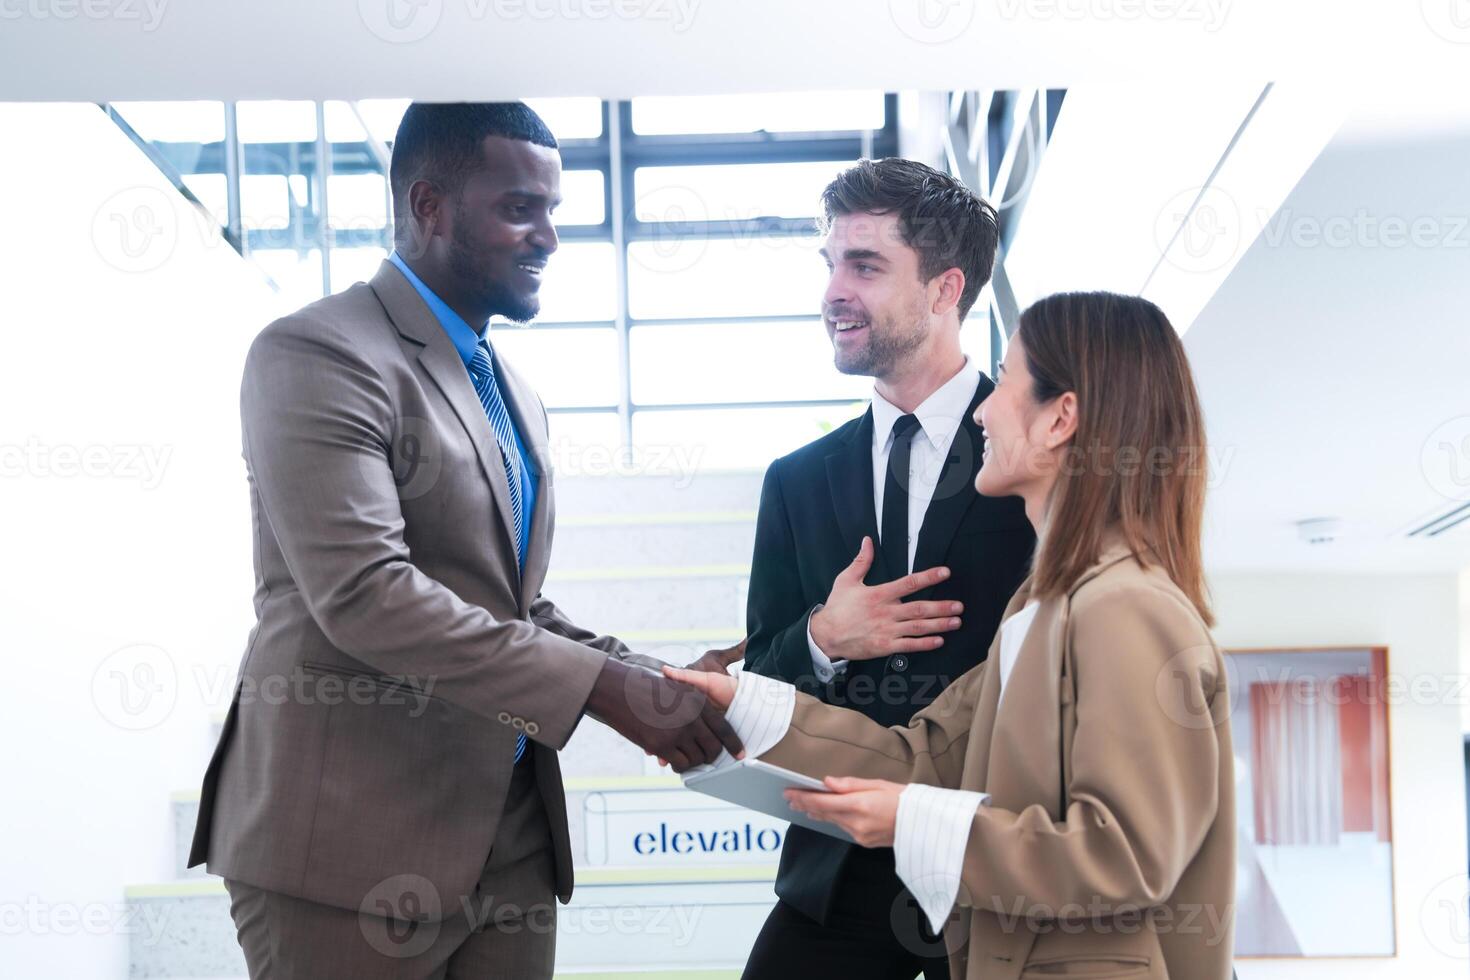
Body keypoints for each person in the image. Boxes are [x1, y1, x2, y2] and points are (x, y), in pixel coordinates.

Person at [188, 101, 741, 979]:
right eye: (521, 208)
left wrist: (649, 678)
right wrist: (607, 690)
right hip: (348, 845)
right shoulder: (317, 353)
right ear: (429, 205)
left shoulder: (509, 385)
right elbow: (367, 596)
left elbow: (511, 604)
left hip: (508, 833)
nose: (550, 238)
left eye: (554, 210)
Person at [670, 291, 1236, 980]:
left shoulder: (1124, 607)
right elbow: (924, 757)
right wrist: (741, 705)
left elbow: (1125, 855)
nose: (983, 408)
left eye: (1008, 378)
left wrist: (914, 823)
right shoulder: (1045, 606)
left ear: (1061, 419)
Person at [716, 158, 1035, 979]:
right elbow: (764, 674)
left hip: (993, 869)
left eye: (864, 265)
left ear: (943, 289)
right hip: (840, 873)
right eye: (830, 265)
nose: (833, 292)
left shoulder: (1040, 457)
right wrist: (824, 637)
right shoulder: (796, 481)